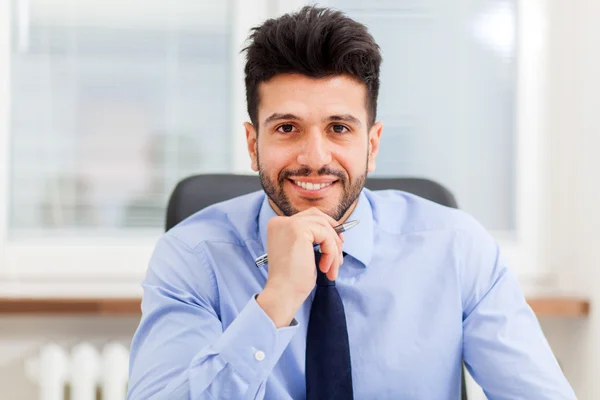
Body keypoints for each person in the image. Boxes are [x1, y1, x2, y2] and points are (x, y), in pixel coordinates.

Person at [126, 6, 576, 399]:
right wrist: (276, 299)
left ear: (372, 144)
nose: (314, 158)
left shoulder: (458, 249)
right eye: (286, 128)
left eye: (339, 127)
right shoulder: (191, 256)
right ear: (252, 142)